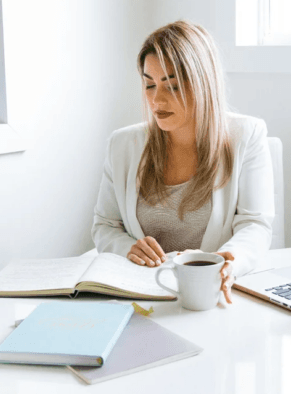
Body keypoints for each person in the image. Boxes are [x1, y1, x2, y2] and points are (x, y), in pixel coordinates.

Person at [92, 21, 274, 304]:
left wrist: (231, 263)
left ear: (203, 83)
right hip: (141, 297)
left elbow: (255, 225)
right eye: (149, 84)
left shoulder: (247, 135)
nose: (156, 100)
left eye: (172, 86)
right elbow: (104, 225)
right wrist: (127, 248)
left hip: (210, 295)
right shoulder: (122, 145)